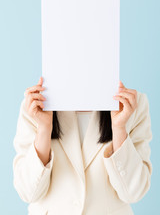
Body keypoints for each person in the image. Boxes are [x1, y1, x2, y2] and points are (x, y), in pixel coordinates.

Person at [13, 77, 152, 215]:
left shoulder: (131, 104)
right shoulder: (35, 105)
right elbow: (28, 193)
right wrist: (44, 129)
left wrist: (119, 128)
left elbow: (134, 193)